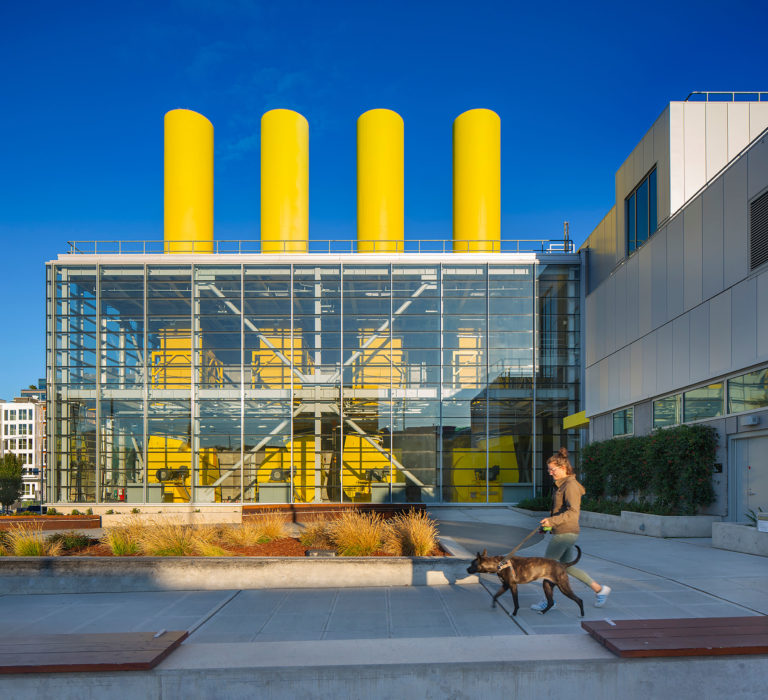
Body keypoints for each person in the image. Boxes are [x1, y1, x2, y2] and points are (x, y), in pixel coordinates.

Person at [531, 447, 611, 611]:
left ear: (563, 468)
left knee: (548, 568)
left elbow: (573, 512)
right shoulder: (562, 485)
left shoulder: (570, 486)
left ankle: (549, 601)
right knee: (566, 566)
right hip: (563, 531)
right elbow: (560, 510)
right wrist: (548, 526)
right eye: (548, 469)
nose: (549, 472)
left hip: (566, 533)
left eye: (552, 469)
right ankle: (600, 589)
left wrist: (552, 521)